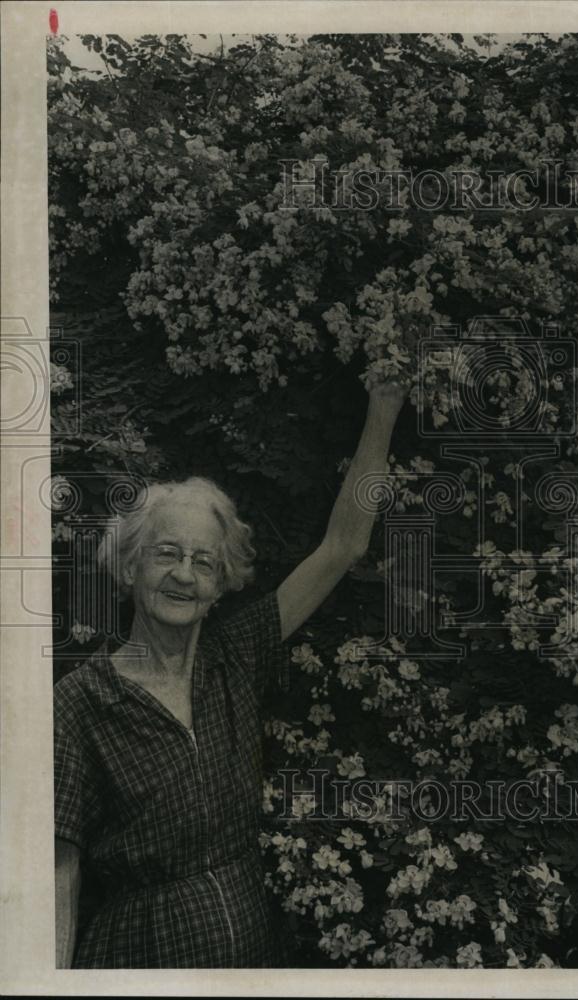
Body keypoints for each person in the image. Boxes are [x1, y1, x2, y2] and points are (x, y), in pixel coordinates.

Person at [54, 382, 407, 968]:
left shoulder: (236, 656)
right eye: (166, 553)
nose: (184, 576)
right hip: (143, 957)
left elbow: (343, 545)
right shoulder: (80, 702)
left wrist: (384, 409)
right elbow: (56, 874)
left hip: (249, 947)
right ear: (130, 563)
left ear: (220, 585)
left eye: (203, 562)